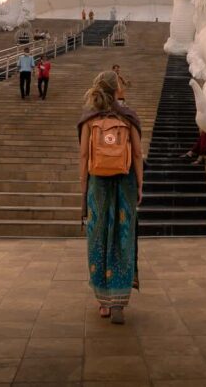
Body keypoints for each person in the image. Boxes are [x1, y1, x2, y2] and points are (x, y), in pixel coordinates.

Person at [78, 71, 143, 325]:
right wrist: (140, 184)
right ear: (116, 90)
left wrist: (84, 188)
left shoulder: (89, 118)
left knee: (99, 237)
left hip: (98, 183)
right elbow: (137, 154)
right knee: (122, 238)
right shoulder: (128, 117)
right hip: (124, 182)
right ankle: (119, 300)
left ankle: (103, 302)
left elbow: (84, 156)